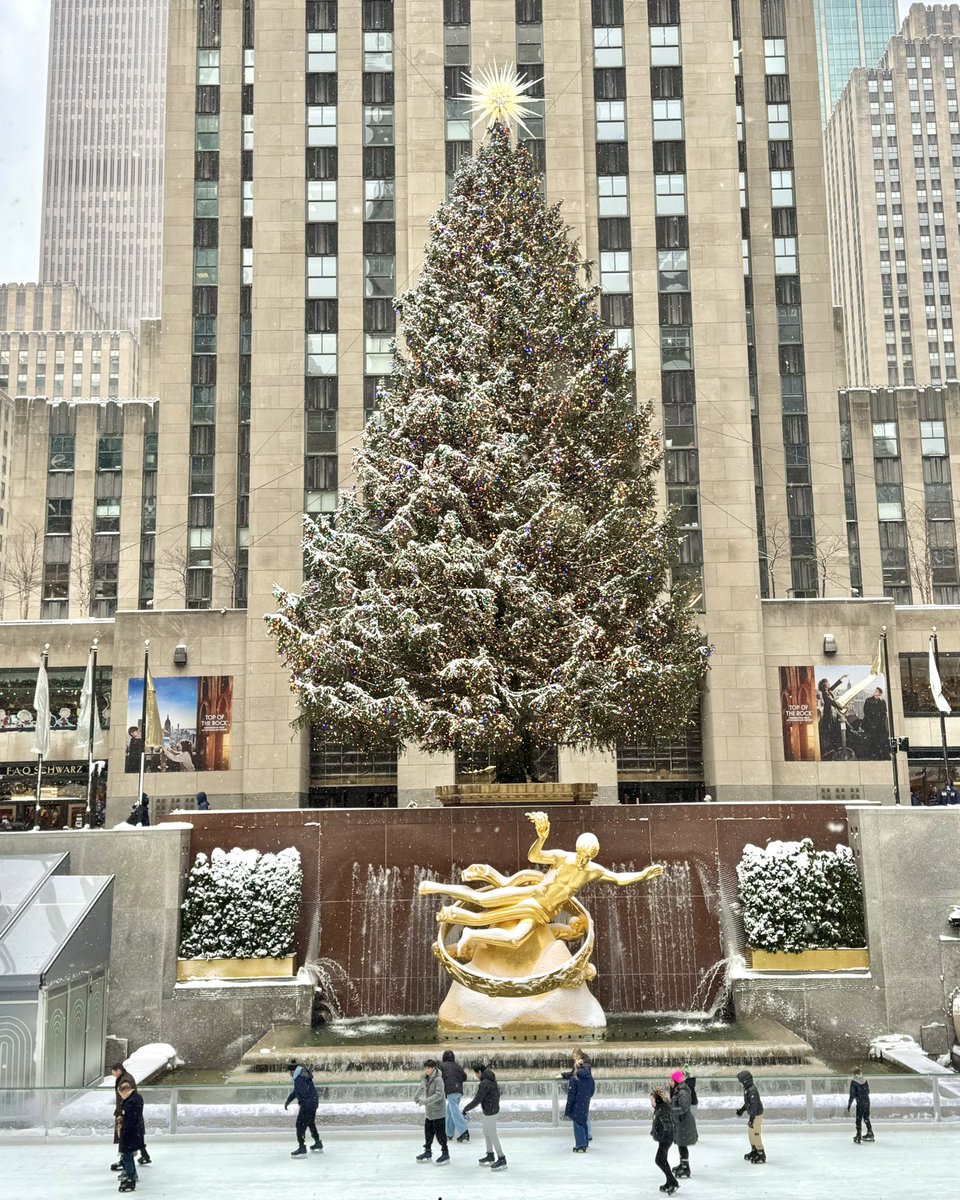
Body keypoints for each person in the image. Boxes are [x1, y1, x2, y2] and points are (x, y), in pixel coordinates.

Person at [420, 809, 663, 961]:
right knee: (482, 900)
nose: (583, 859)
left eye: (588, 856)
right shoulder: (562, 857)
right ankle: (435, 887)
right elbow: (535, 857)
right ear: (577, 849)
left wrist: (643, 874)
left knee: (515, 938)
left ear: (594, 855)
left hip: (542, 911)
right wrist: (542, 836)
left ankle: (472, 934)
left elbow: (619, 879)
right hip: (532, 892)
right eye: (581, 853)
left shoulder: (593, 871)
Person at [463, 1060, 506, 1170]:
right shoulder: (491, 1079)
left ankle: (501, 1158)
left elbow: (478, 1099)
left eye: (476, 1074)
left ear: (479, 1072)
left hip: (490, 1111)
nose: (476, 1076)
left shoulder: (484, 1083)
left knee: (492, 1134)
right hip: (491, 1109)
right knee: (486, 1132)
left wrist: (466, 1108)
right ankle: (490, 1155)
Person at [109, 1063, 150, 1172]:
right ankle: (142, 1156)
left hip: (126, 1113)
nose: (113, 1075)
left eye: (113, 1072)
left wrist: (120, 1111)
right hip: (130, 1113)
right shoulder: (126, 1078)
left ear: (118, 1070)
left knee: (127, 1138)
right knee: (135, 1136)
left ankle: (127, 1163)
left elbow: (123, 1096)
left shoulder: (125, 1081)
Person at [414, 1058, 450, 1164]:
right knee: (428, 1133)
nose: (427, 1070)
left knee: (440, 1135)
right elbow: (421, 1088)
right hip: (429, 1112)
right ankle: (428, 1152)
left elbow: (439, 1095)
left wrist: (425, 1101)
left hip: (438, 1112)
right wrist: (416, 1097)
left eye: (429, 1068)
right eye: (426, 1068)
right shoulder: (426, 1078)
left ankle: (445, 1154)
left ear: (434, 1068)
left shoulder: (439, 1080)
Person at [284, 1058, 322, 1156]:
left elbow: (303, 1092)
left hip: (307, 1104)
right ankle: (318, 1142)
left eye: (289, 1072)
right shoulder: (303, 1075)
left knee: (300, 1124)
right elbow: (297, 1091)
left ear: (293, 1071)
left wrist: (304, 1105)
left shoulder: (299, 1079)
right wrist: (288, 1100)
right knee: (310, 1122)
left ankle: (302, 1147)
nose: (289, 1074)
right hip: (313, 1102)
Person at [116, 1080, 145, 1192]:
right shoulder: (135, 1098)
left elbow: (130, 1118)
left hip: (130, 1133)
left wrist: (123, 1126)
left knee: (127, 1155)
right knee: (127, 1155)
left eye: (121, 1094)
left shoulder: (131, 1102)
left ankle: (130, 1176)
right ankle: (130, 1174)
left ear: (125, 1092)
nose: (121, 1097)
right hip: (133, 1132)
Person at [669, 1068, 697, 1179]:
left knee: (682, 1144)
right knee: (681, 1144)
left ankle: (686, 1168)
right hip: (681, 1121)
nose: (670, 1083)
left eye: (671, 1080)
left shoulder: (683, 1092)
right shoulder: (678, 1090)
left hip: (684, 1122)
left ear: (676, 1081)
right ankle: (682, 1164)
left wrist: (671, 1110)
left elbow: (684, 1108)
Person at [564, 1050, 595, 1152]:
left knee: (577, 1124)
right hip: (585, 1101)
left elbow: (571, 1095)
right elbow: (592, 1089)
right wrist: (587, 1097)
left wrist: (568, 1108)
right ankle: (585, 1143)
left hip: (577, 1103)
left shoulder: (574, 1079)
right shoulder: (588, 1076)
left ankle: (580, 1145)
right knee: (583, 1122)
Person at [650, 1088, 679, 1195]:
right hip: (665, 1139)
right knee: (663, 1160)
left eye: (651, 1100)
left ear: (656, 1099)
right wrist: (654, 1131)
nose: (651, 1102)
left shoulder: (662, 1109)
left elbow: (666, 1123)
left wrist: (663, 1134)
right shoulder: (661, 1107)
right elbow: (658, 1122)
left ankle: (673, 1182)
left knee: (659, 1160)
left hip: (666, 1139)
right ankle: (669, 1181)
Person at [440, 1049, 469, 1142]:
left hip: (450, 1090)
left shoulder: (441, 1066)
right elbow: (464, 1077)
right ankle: (449, 1134)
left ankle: (464, 1131)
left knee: (454, 1111)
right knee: (450, 1112)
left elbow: (436, 1077)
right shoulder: (458, 1066)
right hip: (458, 1090)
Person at [736, 1069, 765, 1163]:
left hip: (756, 1115)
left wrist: (752, 1119)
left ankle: (761, 1153)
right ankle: (754, 1150)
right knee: (750, 1134)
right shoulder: (748, 1089)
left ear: (745, 1081)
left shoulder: (752, 1091)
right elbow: (748, 1104)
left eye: (741, 1082)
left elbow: (755, 1106)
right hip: (752, 1115)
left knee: (756, 1134)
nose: (740, 1084)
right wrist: (741, 1110)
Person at [847, 1067, 874, 1143]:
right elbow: (868, 1091)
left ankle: (858, 1135)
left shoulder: (854, 1082)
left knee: (858, 1119)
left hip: (860, 1103)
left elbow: (852, 1094)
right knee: (866, 1118)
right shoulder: (865, 1080)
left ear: (855, 1074)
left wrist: (849, 1104)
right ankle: (870, 1132)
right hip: (867, 1101)